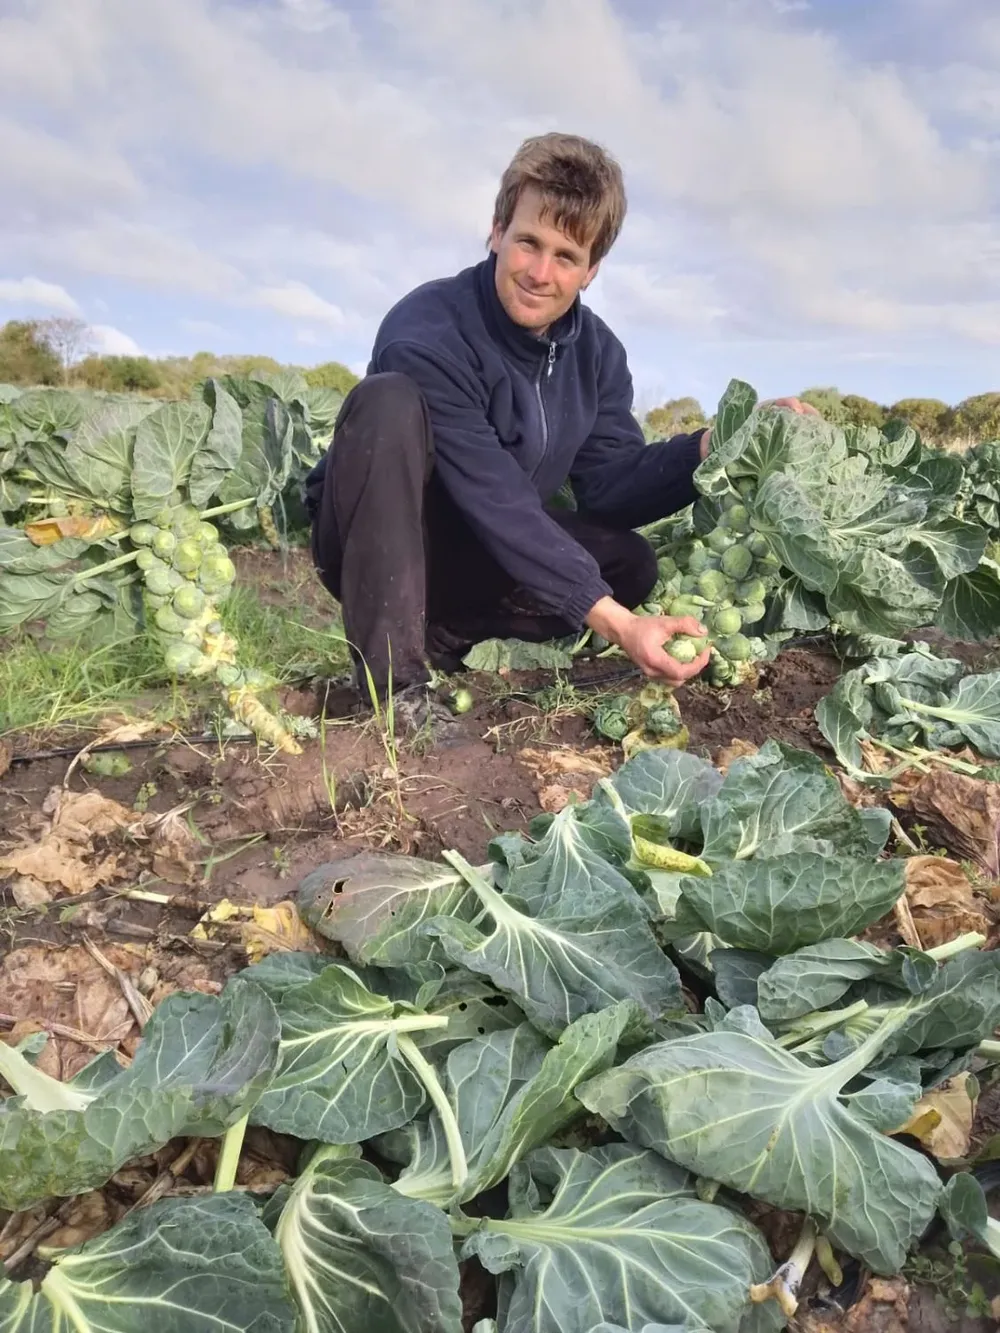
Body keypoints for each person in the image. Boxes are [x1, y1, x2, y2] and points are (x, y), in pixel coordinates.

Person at [305, 132, 815, 728]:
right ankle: (393, 689)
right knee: (386, 401)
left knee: (628, 564)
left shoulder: (595, 352)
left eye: (567, 257)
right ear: (497, 232)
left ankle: (442, 636)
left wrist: (717, 443)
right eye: (528, 243)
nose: (540, 273)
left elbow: (610, 485)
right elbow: (493, 495)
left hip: (476, 547)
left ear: (591, 270)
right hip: (384, 540)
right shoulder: (427, 328)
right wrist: (619, 625)